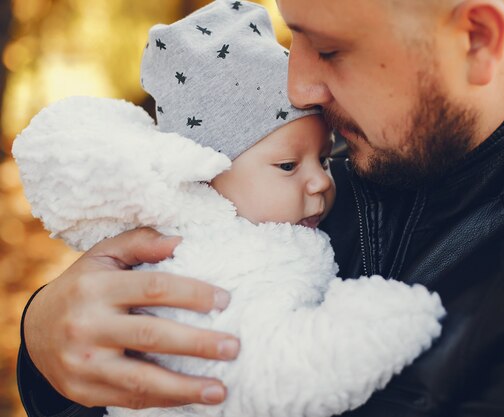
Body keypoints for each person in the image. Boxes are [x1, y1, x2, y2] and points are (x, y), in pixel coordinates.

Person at [16, 0, 504, 416]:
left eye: (330, 49)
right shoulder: (323, 149)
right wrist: (49, 342)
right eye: (292, 36)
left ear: (477, 38)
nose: (296, 87)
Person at [13, 2, 443, 416]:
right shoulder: (183, 256)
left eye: (324, 159)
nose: (321, 181)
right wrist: (41, 339)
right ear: (205, 176)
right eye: (289, 165)